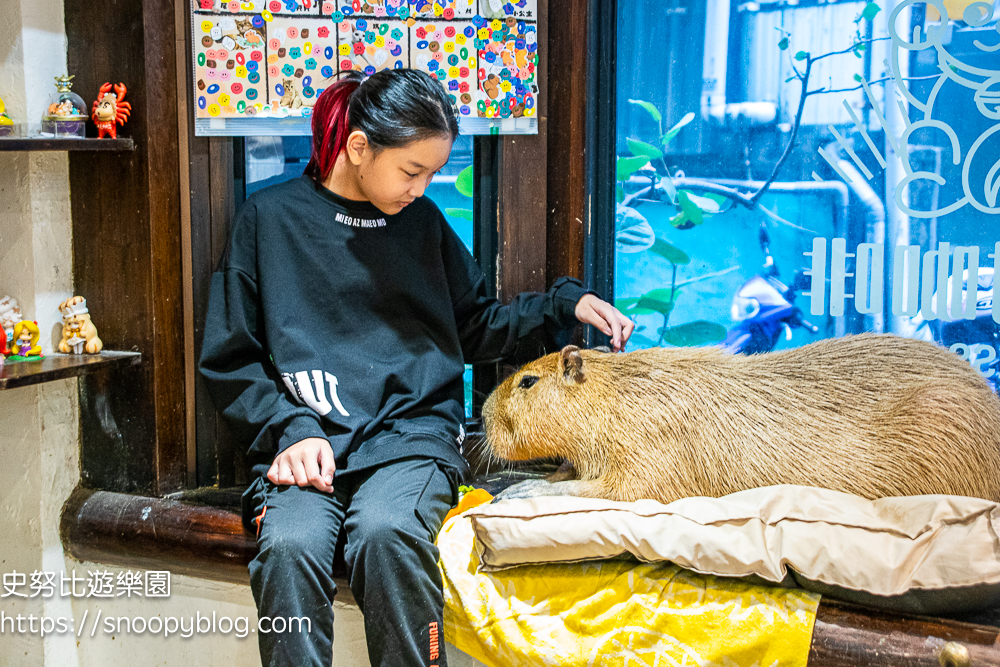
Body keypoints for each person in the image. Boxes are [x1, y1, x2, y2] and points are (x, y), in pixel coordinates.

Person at [199, 68, 633, 667]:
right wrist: (289, 429)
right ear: (358, 148)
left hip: (411, 439)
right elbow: (230, 358)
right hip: (308, 443)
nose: (422, 188)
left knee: (387, 534)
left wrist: (564, 305)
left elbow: (476, 326)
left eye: (433, 173)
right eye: (411, 171)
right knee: (289, 546)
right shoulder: (267, 220)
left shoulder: (422, 225)